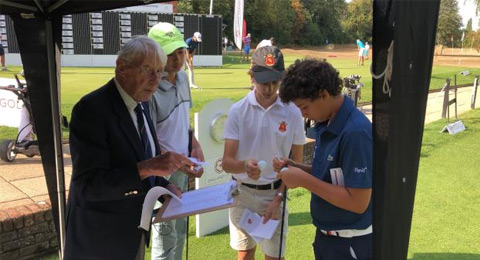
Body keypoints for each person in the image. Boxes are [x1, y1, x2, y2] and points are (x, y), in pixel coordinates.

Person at [64, 36, 199, 260]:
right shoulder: (90, 110)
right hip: (99, 239)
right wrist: (147, 168)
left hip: (133, 232)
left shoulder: (142, 103)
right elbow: (89, 184)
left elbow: (142, 159)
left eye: (159, 71)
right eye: (147, 69)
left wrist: (166, 187)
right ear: (121, 66)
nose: (155, 80)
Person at [277, 59, 372, 260]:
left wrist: (303, 181)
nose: (303, 115)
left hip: (350, 243)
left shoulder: (355, 132)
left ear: (324, 95)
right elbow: (328, 174)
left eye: (304, 107)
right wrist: (297, 168)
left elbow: (358, 202)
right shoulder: (326, 122)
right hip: (328, 238)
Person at [222, 46, 306, 260]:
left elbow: (297, 163)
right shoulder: (237, 111)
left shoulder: (293, 112)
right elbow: (227, 163)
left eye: (274, 82)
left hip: (275, 194)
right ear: (252, 77)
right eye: (263, 81)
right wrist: (244, 166)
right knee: (244, 254)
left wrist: (278, 197)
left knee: (273, 257)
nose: (269, 88)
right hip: (242, 194)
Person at [147, 22, 205, 260]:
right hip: (162, 174)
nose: (178, 58)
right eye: (170, 53)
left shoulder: (182, 80)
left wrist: (195, 144)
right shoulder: (148, 89)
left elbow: (184, 122)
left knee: (180, 229)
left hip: (182, 167)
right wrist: (176, 163)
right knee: (164, 233)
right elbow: (148, 141)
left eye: (180, 51)